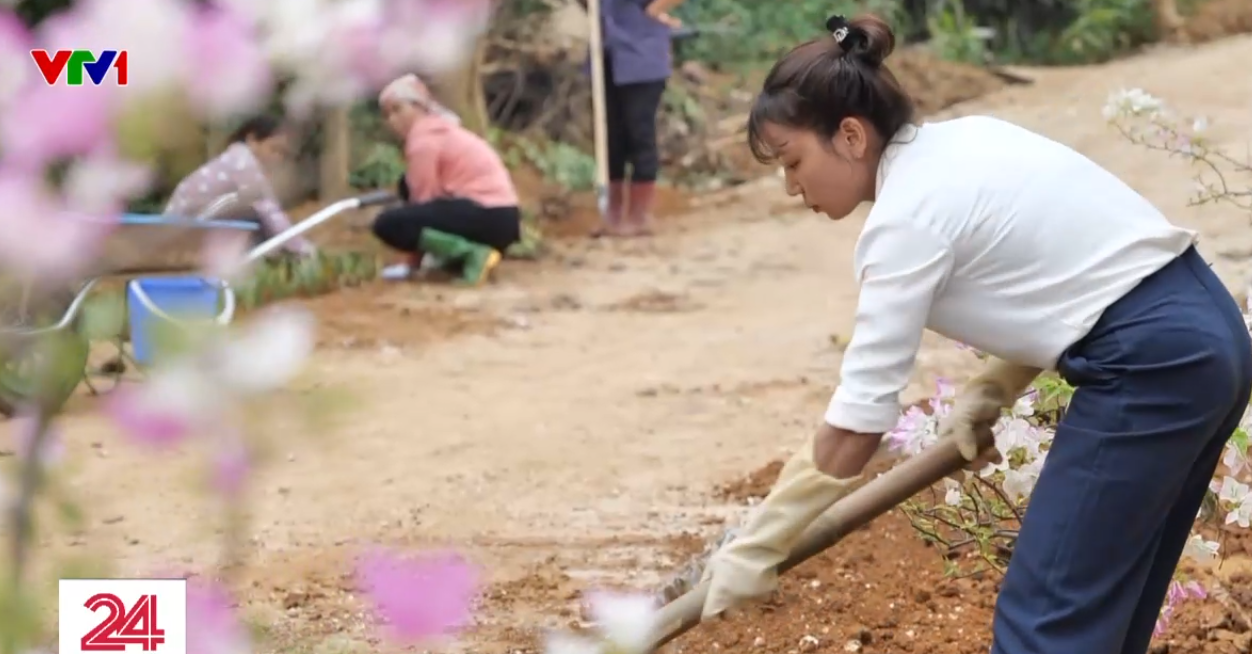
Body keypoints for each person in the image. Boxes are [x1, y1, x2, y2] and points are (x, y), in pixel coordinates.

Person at [698, 13, 1252, 654]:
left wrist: (762, 539)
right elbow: (1072, 268)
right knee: (1102, 617)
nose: (792, 186)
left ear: (850, 135)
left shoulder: (903, 222)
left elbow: (856, 426)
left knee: (1044, 623)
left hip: (1154, 364)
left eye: (793, 161)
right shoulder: (966, 141)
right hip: (1205, 332)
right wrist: (994, 384)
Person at [371, 74, 521, 286]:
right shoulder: (442, 130)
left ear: (420, 107)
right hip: (505, 219)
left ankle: (473, 253)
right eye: (387, 115)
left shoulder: (423, 140)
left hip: (486, 214)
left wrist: (414, 264)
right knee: (406, 184)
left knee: (388, 223)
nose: (392, 120)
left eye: (398, 110)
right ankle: (457, 259)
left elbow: (424, 203)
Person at [591, 0, 685, 237]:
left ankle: (638, 215)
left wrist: (655, 10)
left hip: (642, 57)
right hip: (609, 56)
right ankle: (612, 213)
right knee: (613, 136)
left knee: (639, 132)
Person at [165, 115, 315, 256]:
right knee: (260, 223)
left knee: (258, 223)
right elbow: (269, 210)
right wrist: (303, 249)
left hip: (189, 225)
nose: (276, 158)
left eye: (281, 153)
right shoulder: (243, 163)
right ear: (252, 140)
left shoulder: (235, 158)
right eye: (273, 149)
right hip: (184, 230)